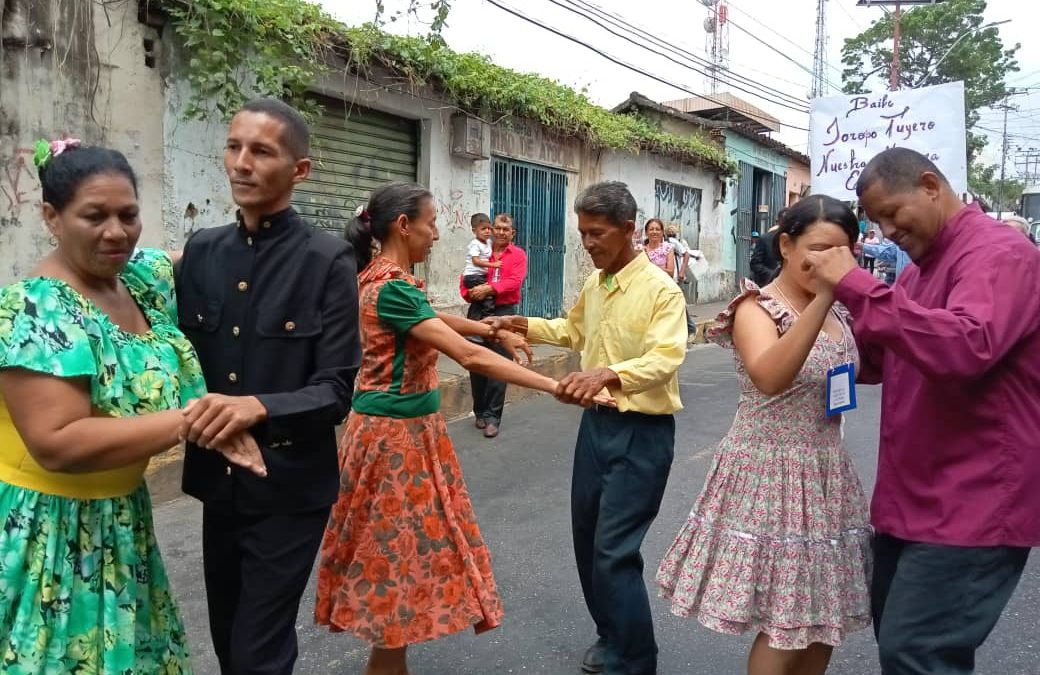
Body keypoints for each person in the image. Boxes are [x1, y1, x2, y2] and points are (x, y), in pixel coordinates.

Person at [0, 140, 253, 672]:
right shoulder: (36, 307)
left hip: (120, 520)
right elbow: (58, 443)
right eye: (94, 216)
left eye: (128, 215)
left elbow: (212, 255)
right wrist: (192, 419)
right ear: (51, 216)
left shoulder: (139, 282)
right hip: (47, 534)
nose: (116, 232)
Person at [315, 182, 576, 675]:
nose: (437, 234)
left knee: (399, 567)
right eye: (431, 223)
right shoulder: (390, 287)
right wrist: (551, 385)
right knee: (394, 570)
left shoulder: (380, 280)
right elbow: (469, 358)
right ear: (403, 225)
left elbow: (431, 320)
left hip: (398, 436)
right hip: (394, 446)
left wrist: (491, 326)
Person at [805, 148, 1040, 675]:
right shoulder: (915, 276)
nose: (885, 230)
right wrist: (797, 334)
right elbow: (879, 358)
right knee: (900, 641)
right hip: (912, 498)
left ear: (931, 186)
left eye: (892, 213)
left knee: (919, 653)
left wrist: (859, 286)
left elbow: (966, 346)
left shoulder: (999, 253)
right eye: (875, 220)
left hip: (971, 501)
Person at [175, 98, 361, 674]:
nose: (241, 163)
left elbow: (334, 391)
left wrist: (257, 406)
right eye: (234, 147)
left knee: (260, 651)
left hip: (289, 489)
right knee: (229, 640)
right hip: (217, 484)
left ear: (298, 170)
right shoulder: (202, 250)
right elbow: (174, 354)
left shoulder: (327, 259)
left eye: (261, 151)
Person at [657, 195, 871, 675]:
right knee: (783, 621)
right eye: (819, 248)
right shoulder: (756, 307)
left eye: (843, 251)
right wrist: (824, 298)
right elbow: (770, 377)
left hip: (825, 472)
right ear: (788, 245)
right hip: (768, 472)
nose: (831, 262)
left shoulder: (841, 313)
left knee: (822, 618)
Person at [491, 181, 688, 675]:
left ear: (628, 230)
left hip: (642, 433)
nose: (589, 243)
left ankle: (637, 660)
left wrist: (610, 373)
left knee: (614, 551)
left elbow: (666, 356)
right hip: (595, 430)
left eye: (598, 233)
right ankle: (611, 634)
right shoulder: (595, 284)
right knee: (587, 540)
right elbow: (572, 329)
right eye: (583, 234)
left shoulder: (661, 291)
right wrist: (526, 325)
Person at [460, 213, 528, 438]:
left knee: (499, 364)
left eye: (505, 229)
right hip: (477, 310)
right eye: (496, 228)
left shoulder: (518, 255)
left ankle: (493, 417)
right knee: (475, 360)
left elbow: (514, 281)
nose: (499, 232)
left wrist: (490, 289)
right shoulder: (480, 249)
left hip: (504, 313)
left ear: (512, 233)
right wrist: (469, 293)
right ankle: (479, 410)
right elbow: (467, 274)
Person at [461, 213, 500, 318]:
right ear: (474, 231)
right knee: (489, 295)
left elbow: (496, 246)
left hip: (480, 276)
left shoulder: (488, 242)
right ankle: (489, 317)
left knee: (479, 300)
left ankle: (475, 322)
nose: (487, 231)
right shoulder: (475, 244)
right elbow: (476, 261)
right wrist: (493, 265)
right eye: (483, 229)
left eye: (489, 228)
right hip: (472, 277)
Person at [749, 209, 786, 286]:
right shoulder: (765, 239)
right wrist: (772, 274)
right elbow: (755, 263)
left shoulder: (796, 241)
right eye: (784, 221)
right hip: (768, 285)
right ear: (777, 222)